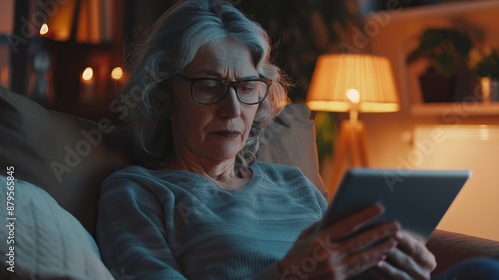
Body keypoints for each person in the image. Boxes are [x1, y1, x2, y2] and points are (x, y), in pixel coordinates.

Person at [96, 0, 499, 279]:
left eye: (248, 86)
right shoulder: (137, 193)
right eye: (208, 85)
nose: (233, 108)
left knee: (483, 271)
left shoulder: (291, 183)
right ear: (164, 93)